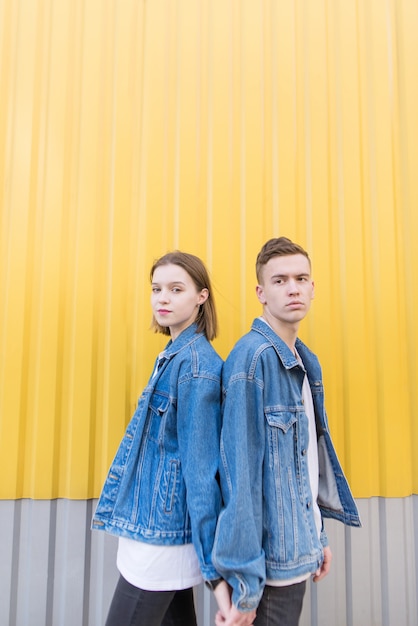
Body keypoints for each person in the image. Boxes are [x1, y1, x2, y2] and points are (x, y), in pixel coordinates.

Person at [211, 237, 361, 626]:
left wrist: (318, 537)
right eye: (279, 280)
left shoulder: (303, 360)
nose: (292, 287)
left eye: (300, 278)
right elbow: (239, 478)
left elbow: (302, 464)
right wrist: (245, 585)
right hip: (270, 569)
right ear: (260, 292)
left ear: (313, 287)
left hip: (297, 550)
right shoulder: (253, 360)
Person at [92, 251, 224, 626]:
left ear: (201, 296)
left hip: (164, 533)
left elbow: (201, 471)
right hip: (155, 524)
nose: (162, 298)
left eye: (176, 289)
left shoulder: (197, 367)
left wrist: (213, 568)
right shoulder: (172, 354)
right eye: (157, 289)